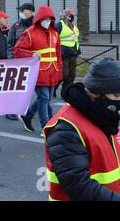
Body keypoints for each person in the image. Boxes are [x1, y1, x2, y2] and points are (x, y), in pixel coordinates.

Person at [44, 57, 120, 201]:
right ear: (96, 94)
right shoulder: (65, 128)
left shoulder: (105, 117)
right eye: (116, 95)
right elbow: (78, 186)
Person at [13, 6, 62, 134]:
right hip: (38, 72)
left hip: (52, 71)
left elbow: (58, 54)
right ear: (39, 19)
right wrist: (31, 55)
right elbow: (17, 50)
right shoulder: (30, 32)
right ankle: (46, 127)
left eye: (49, 19)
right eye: (45, 18)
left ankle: (27, 115)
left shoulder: (54, 33)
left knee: (45, 98)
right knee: (44, 98)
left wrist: (60, 72)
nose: (47, 21)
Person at [0, 11, 17, 121]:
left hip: (3, 64)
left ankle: (6, 110)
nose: (7, 20)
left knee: (5, 88)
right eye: (5, 18)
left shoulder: (2, 30)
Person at [55, 8, 80, 98]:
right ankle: (53, 89)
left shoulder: (74, 27)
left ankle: (65, 94)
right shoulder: (59, 25)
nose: (72, 17)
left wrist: (77, 51)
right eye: (71, 15)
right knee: (63, 75)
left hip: (73, 53)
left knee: (71, 75)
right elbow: (54, 38)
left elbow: (76, 40)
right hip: (63, 54)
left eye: (73, 15)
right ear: (66, 16)